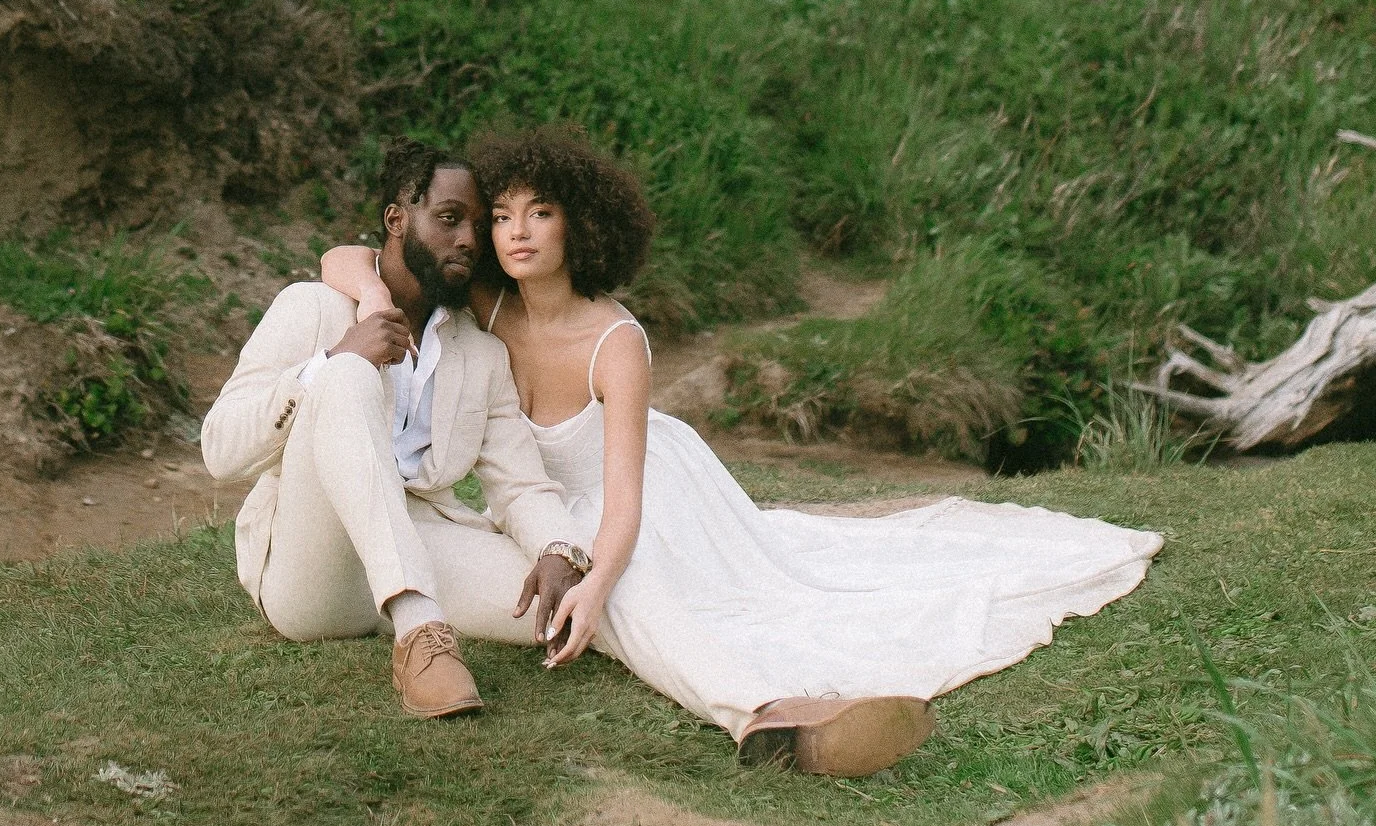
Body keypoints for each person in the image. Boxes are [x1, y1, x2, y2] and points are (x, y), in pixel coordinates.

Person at [321, 128, 1163, 777]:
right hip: (547, 502)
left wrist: (599, 577)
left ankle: (778, 711)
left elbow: (624, 502)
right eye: (502, 216)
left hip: (651, 488)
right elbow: (348, 256)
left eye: (539, 213)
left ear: (581, 224)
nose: (515, 233)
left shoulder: (615, 341)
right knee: (587, 582)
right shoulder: (486, 302)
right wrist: (365, 295)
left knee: (655, 590)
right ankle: (763, 712)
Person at [202, 140, 594, 722]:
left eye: (478, 225)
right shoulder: (310, 308)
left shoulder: (481, 353)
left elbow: (519, 485)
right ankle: (419, 630)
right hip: (316, 574)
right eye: (448, 218)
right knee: (345, 377)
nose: (467, 238)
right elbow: (220, 449)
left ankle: (742, 690)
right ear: (396, 219)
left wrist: (559, 550)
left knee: (573, 603)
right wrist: (327, 362)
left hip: (423, 541)